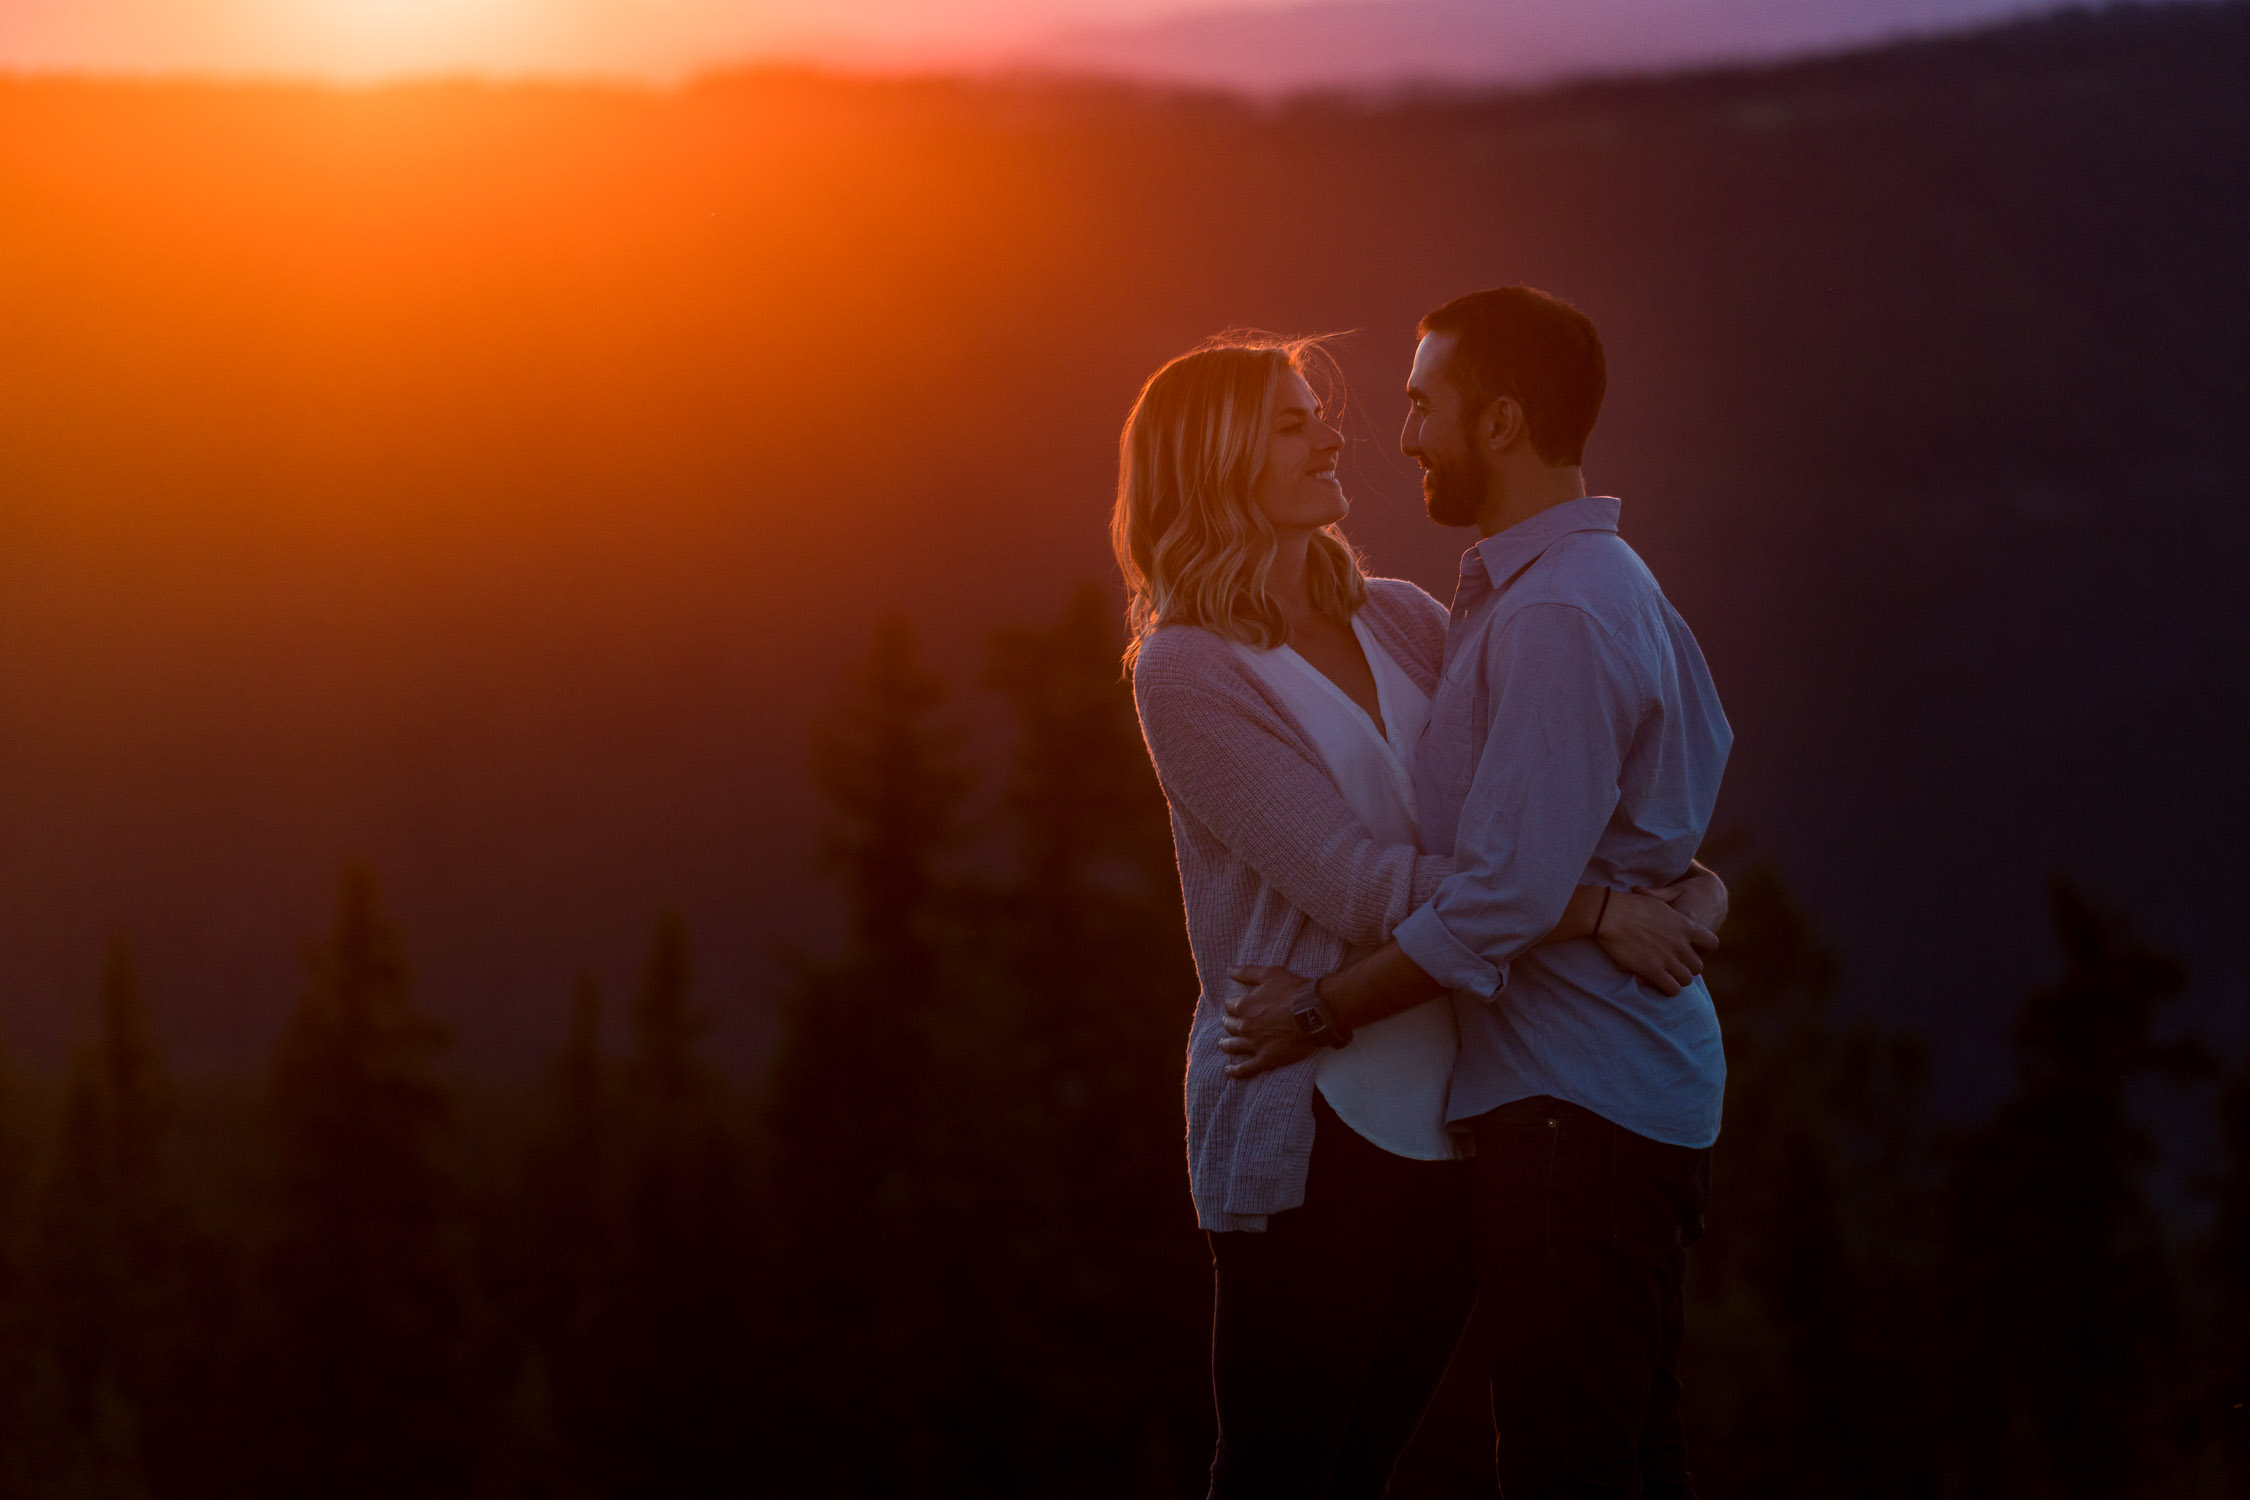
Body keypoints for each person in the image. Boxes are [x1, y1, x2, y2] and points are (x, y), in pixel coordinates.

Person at [1114, 332, 1727, 1500]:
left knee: (1373, 1464)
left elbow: (1551, 797)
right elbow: (1357, 881)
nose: (1334, 436)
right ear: (1218, 461)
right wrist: (1592, 910)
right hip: (1312, 1116)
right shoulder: (1186, 671)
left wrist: (1688, 882)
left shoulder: (1400, 617)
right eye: (1293, 423)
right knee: (1285, 1477)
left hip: (1462, 1117)